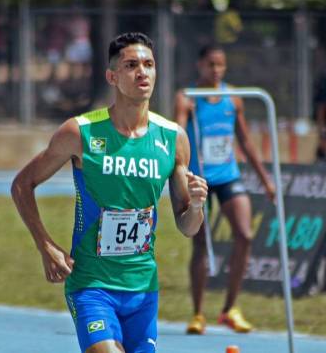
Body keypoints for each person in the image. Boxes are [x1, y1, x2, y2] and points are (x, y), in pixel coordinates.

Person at [11, 32, 208, 353]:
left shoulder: (174, 139)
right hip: (92, 285)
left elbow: (187, 227)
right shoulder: (80, 132)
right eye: (131, 65)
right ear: (112, 76)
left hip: (143, 288)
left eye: (148, 64)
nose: (142, 72)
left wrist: (197, 206)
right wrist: (45, 246)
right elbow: (22, 184)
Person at [174, 44, 275, 335]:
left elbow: (245, 141)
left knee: (245, 234)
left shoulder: (233, 98)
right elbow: (177, 135)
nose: (216, 70)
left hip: (228, 174)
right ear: (199, 65)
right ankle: (197, 313)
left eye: (220, 65)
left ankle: (230, 308)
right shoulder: (187, 97)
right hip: (200, 177)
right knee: (201, 243)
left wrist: (266, 179)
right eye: (211, 64)